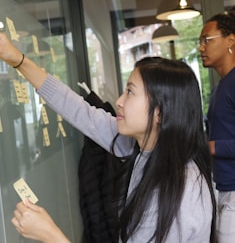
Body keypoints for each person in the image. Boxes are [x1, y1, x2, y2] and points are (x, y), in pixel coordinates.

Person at [0, 32, 217, 242]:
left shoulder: (179, 190)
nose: (119, 101)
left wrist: (50, 235)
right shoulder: (141, 147)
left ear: (159, 112)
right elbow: (77, 109)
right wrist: (17, 59)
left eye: (130, 92)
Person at [199, 11, 235, 243]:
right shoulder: (222, 85)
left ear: (231, 40)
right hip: (224, 189)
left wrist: (211, 147)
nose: (201, 48)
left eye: (207, 40)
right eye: (199, 42)